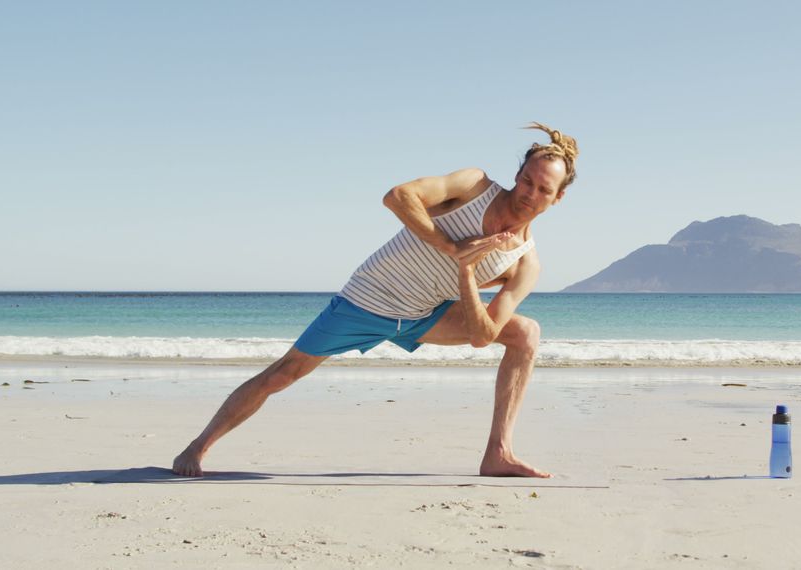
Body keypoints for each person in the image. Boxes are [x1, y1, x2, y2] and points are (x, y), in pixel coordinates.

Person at [172, 123, 579, 478]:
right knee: (285, 373)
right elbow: (398, 196)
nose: (530, 193)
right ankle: (198, 446)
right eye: (528, 180)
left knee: (525, 333)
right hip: (369, 298)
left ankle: (499, 453)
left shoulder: (526, 262)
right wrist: (451, 246)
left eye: (544, 189)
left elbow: (481, 335)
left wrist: (467, 273)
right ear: (518, 173)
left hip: (425, 315)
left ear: (557, 198)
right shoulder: (473, 186)